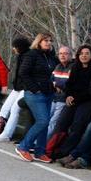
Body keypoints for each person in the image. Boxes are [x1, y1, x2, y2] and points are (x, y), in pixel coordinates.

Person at [49, 45, 91, 159]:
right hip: (73, 99)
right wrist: (69, 95)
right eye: (81, 53)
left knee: (77, 125)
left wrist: (74, 97)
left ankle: (65, 151)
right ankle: (51, 148)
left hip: (88, 101)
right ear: (78, 56)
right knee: (62, 122)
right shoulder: (76, 67)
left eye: (87, 53)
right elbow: (69, 84)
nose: (84, 56)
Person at [15, 33, 57, 163]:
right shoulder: (31, 54)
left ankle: (40, 152)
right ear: (39, 42)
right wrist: (35, 89)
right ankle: (23, 147)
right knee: (43, 121)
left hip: (48, 93)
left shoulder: (51, 57)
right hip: (34, 94)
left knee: (45, 124)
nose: (48, 43)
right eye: (45, 40)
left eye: (50, 41)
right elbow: (23, 73)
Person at [0, 37, 31, 142]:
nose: (13, 49)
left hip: (25, 88)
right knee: (5, 108)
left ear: (19, 47)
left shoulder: (28, 56)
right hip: (17, 87)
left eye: (15, 47)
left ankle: (7, 134)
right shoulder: (20, 56)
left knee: (15, 109)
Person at [48, 46, 73, 136]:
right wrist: (56, 84)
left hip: (63, 100)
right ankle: (35, 142)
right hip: (53, 98)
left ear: (70, 55)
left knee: (53, 122)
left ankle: (42, 144)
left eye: (65, 53)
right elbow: (50, 80)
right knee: (44, 120)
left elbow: (69, 84)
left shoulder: (73, 67)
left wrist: (57, 84)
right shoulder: (57, 66)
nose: (62, 56)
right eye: (60, 53)